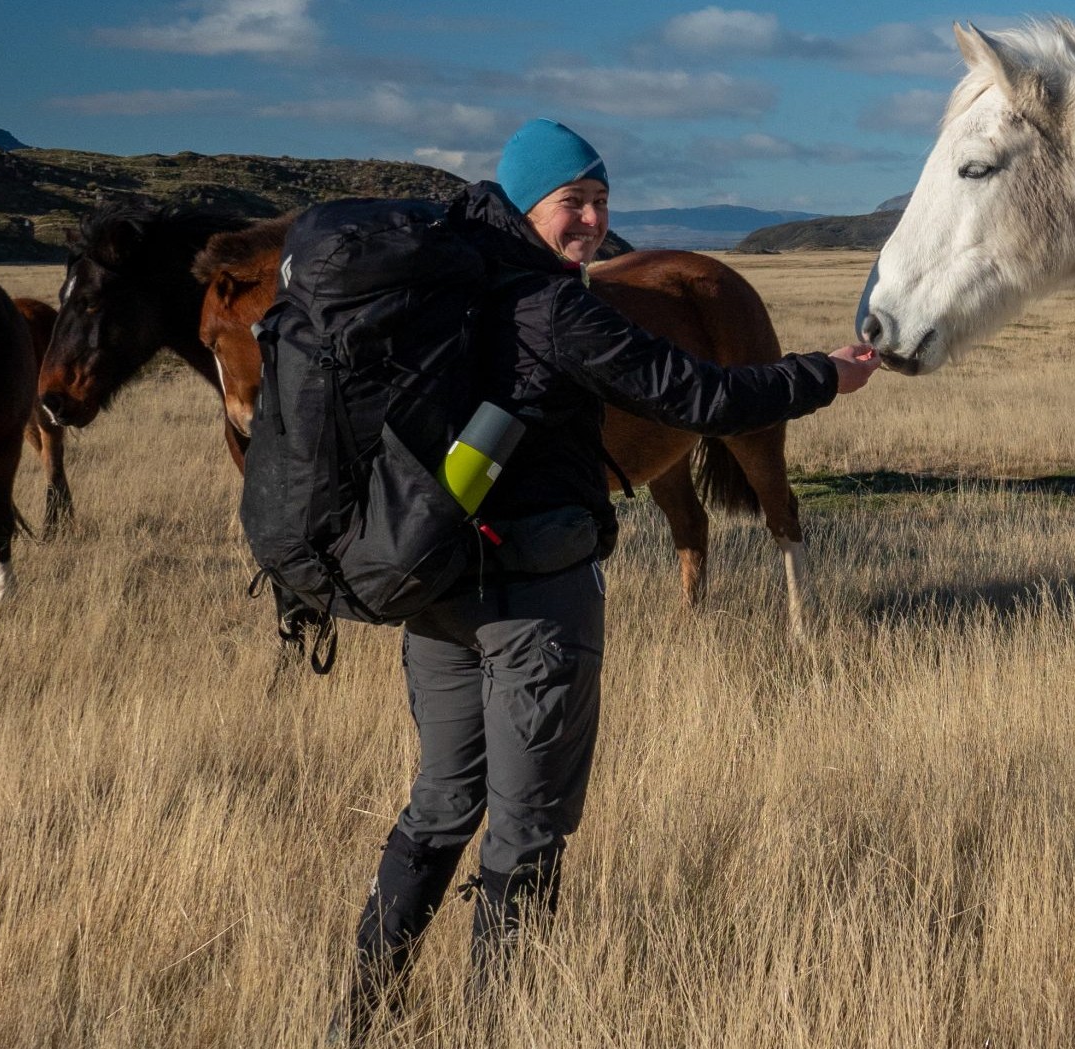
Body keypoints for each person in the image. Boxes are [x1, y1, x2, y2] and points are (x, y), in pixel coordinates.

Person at [339, 118, 880, 1032]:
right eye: (571, 202)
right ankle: (496, 1024)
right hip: (537, 600)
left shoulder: (450, 294)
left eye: (601, 201)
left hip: (435, 590)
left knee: (437, 806)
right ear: (523, 203)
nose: (591, 221)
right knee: (529, 828)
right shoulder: (553, 308)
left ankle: (360, 1015)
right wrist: (822, 375)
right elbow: (700, 396)